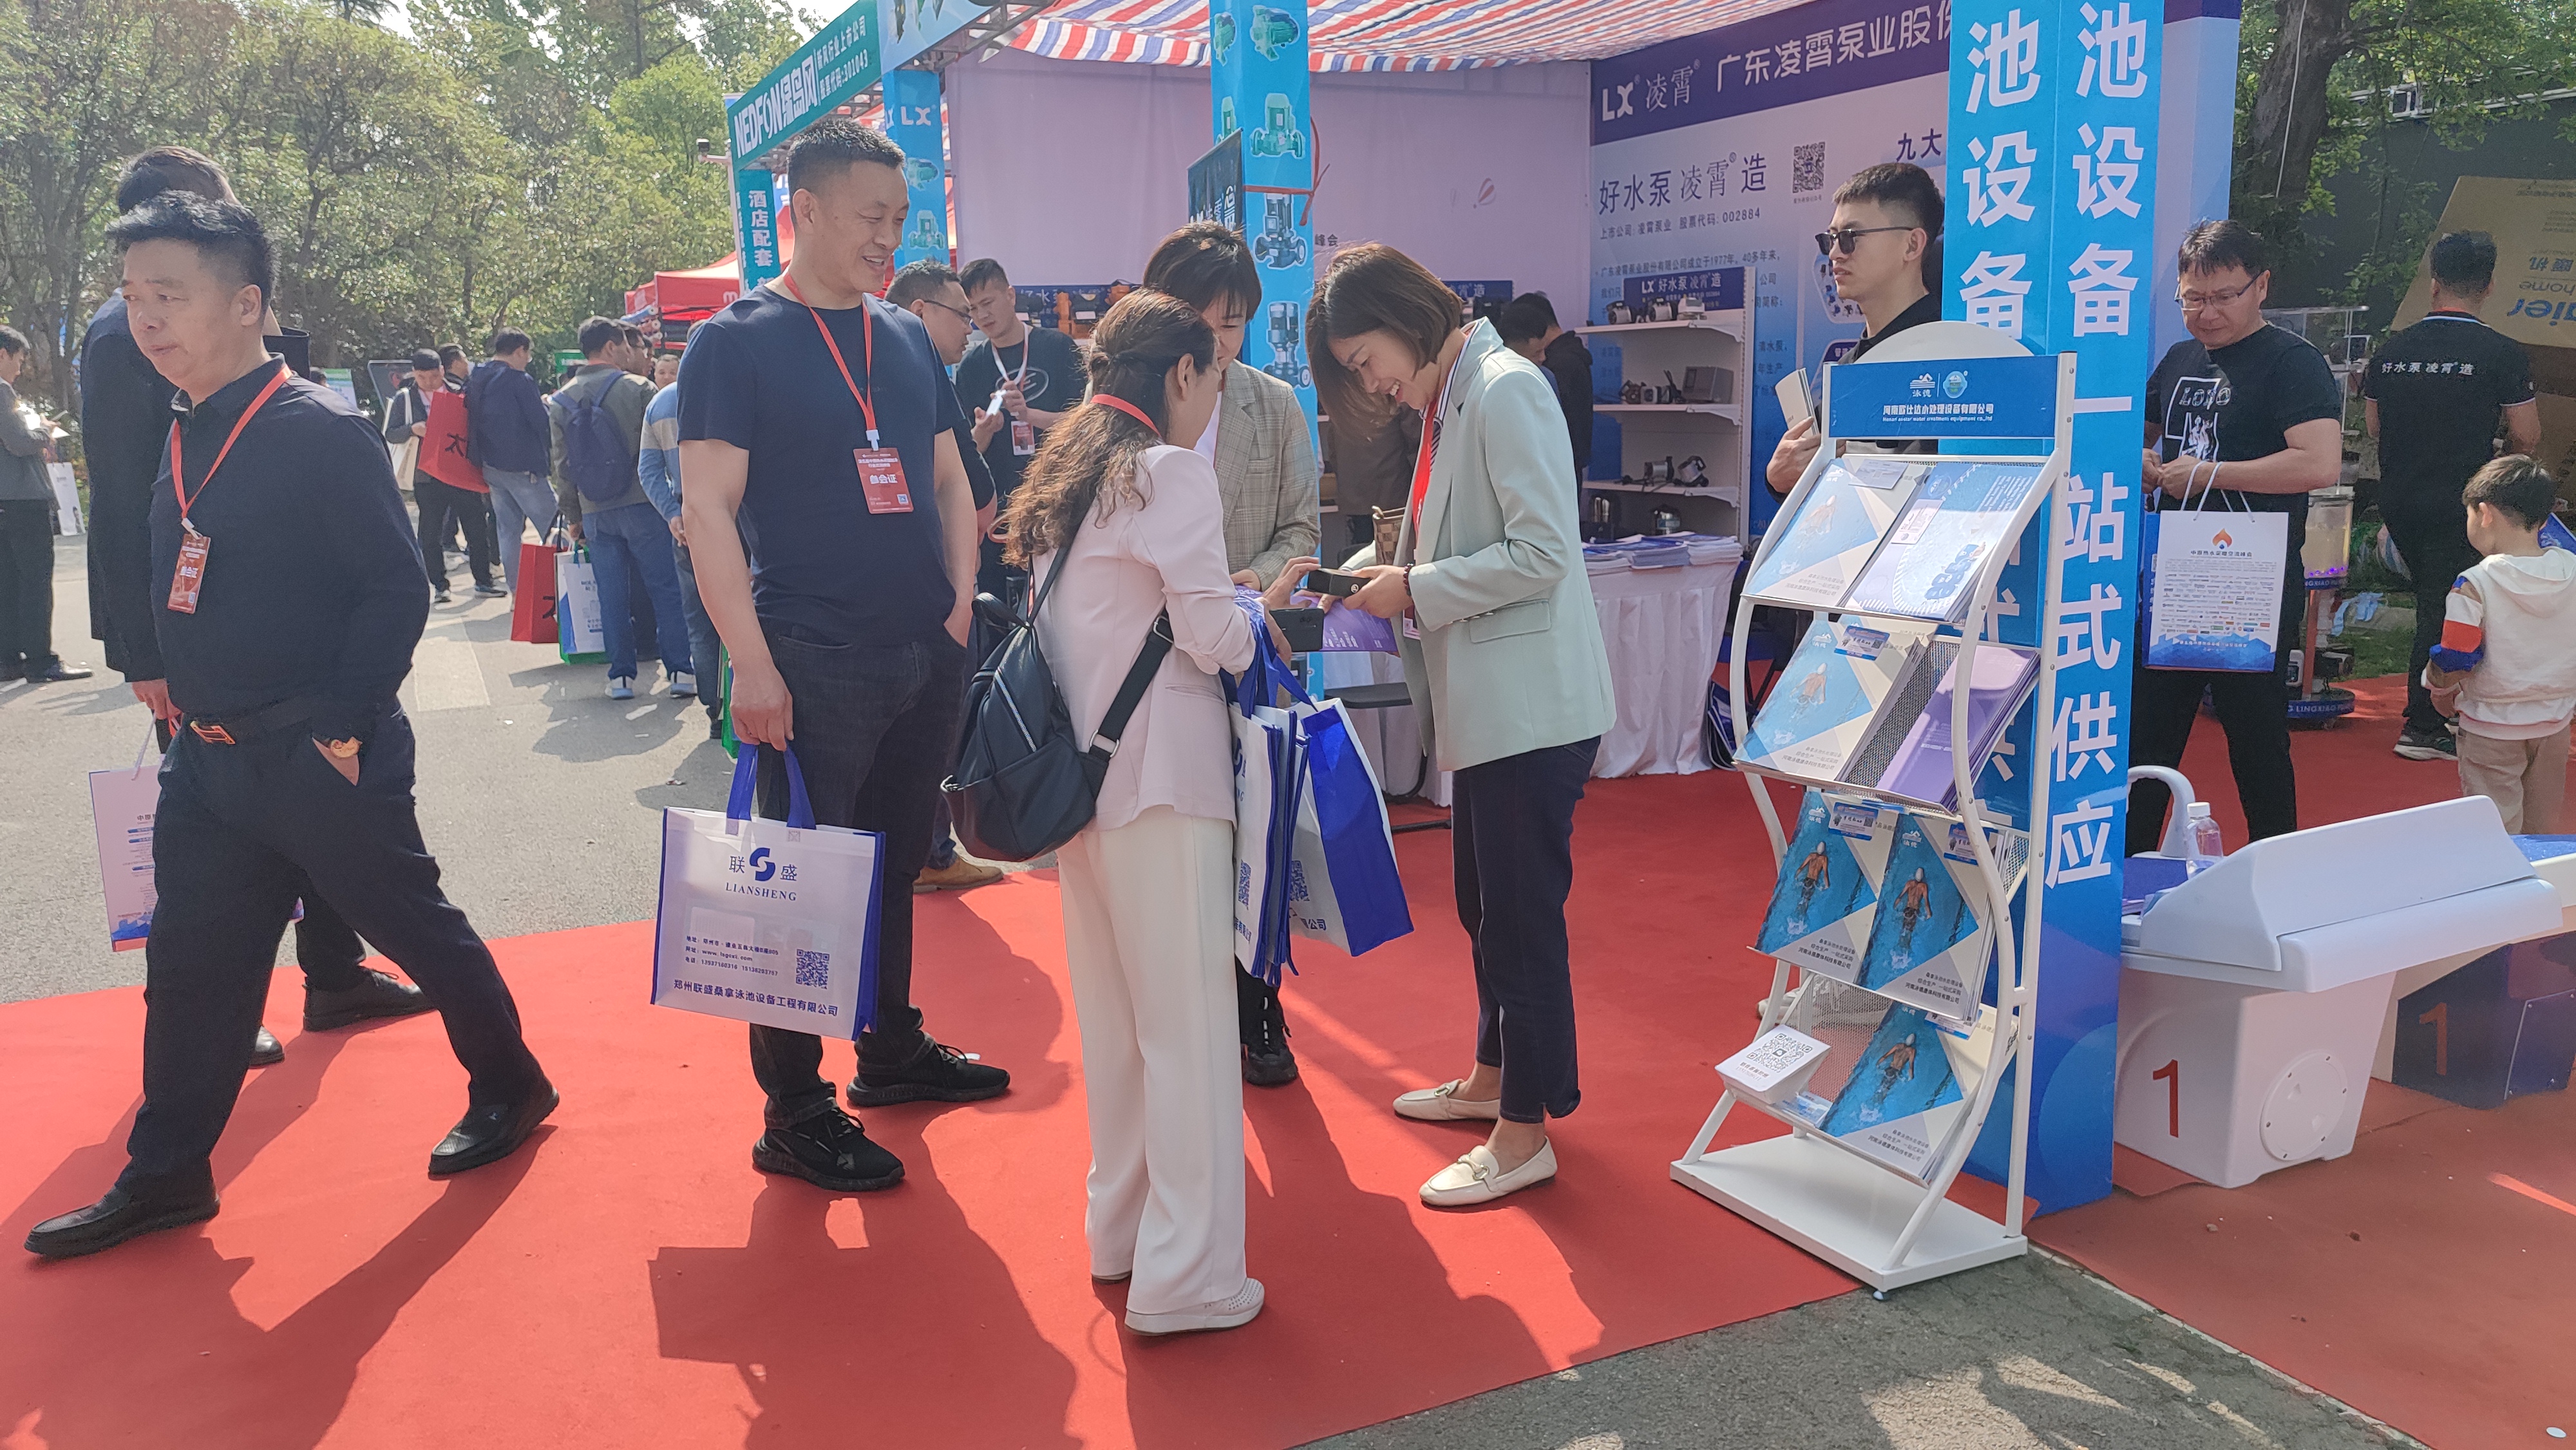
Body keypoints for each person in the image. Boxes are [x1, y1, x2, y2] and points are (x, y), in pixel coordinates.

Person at [26, 194, 554, 1261]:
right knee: (191, 963)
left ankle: (510, 1083)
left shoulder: (316, 429)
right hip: (209, 761)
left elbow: (394, 590)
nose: (146, 319)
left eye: (169, 295)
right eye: (131, 297)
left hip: (316, 750)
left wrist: (344, 730)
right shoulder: (185, 425)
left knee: (413, 926)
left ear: (246, 302)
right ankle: (166, 1173)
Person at [677, 117, 1008, 1195]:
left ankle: (891, 1047)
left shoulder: (904, 336)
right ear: (804, 211)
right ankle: (795, 1110)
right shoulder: (734, 341)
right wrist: (751, 664)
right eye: (870, 217)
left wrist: (955, 608)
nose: (887, 238)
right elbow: (707, 511)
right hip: (810, 656)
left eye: (900, 219)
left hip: (923, 648)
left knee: (897, 861)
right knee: (798, 887)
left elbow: (952, 478)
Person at [77, 144, 423, 1070]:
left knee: (315, 807)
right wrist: (143, 651)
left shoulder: (235, 313)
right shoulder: (124, 334)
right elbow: (119, 496)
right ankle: (211, 1012)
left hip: (286, 619)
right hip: (203, 635)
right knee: (214, 845)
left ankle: (335, 970)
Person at [1312, 243, 1618, 1207]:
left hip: (1530, 707)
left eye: (1366, 360)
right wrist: (1374, 575)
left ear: (1404, 320)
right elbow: (1447, 542)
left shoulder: (1506, 388)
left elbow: (1543, 552)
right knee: (1485, 908)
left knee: (1519, 921)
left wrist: (1415, 587)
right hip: (1491, 705)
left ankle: (1524, 1131)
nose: (1374, 382)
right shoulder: (1456, 395)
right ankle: (1493, 1079)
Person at [1014, 290, 1273, 1334]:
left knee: (1120, 1031)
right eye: (1214, 376)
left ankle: (1121, 1236)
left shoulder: (1073, 473)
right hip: (1164, 783)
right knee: (1189, 1033)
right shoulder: (1168, 470)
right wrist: (1254, 614)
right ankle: (1189, 1277)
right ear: (1182, 372)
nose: (1214, 398)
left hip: (1083, 789)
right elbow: (1213, 636)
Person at [1135, 221, 1320, 1085]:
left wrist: (1257, 580)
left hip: (1253, 656)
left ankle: (1259, 1005)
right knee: (1170, 852)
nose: (1215, 343)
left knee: (1258, 838)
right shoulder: (1124, 413)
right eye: (1198, 321)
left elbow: (1302, 530)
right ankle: (1177, 1015)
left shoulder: (1273, 405)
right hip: (1148, 673)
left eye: (1233, 323)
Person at [2127, 220, 2347, 856]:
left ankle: (2276, 864)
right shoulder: (2179, 359)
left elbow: (2318, 462)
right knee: (2149, 735)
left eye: (2224, 296)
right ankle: (2129, 867)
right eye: (2192, 298)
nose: (2207, 312)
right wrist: (2142, 457)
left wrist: (2209, 473)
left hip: (2251, 579)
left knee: (2255, 736)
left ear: (2261, 287)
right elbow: (2139, 431)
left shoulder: (2291, 362)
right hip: (2176, 575)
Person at [2363, 230, 2540, 763]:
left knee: (2439, 599)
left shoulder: (2392, 351)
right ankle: (2424, 723)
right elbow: (2527, 434)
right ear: (2488, 286)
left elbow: (2374, 426)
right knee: (2445, 606)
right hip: (2466, 501)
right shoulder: (2501, 352)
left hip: (2400, 495)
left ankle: (2443, 709)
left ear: (2434, 283)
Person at [887, 258, 1006, 894]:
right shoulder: (925, 380)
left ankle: (914, 850)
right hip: (936, 592)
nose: (970, 328)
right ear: (918, 313)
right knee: (935, 727)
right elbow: (976, 497)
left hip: (885, 593)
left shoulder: (865, 376)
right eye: (961, 314)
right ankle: (931, 850)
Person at [1765, 162, 1946, 494]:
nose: (1835, 254)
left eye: (1850, 238)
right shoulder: (1849, 370)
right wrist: (1779, 479)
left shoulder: (1952, 358)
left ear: (1912, 245)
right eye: (1831, 239)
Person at [2425, 455, 2576, 833]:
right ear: (2545, 518)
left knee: (2495, 829)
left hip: (2490, 725)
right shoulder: (2571, 569)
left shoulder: (2474, 584)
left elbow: (2456, 657)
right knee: (2541, 828)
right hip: (2555, 721)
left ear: (2484, 513)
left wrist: (2438, 687)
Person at [551, 315, 685, 700]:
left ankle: (621, 678)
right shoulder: (639, 389)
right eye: (625, 345)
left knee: (611, 595)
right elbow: (660, 453)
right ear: (611, 347)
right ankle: (681, 671)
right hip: (645, 505)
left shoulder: (561, 400)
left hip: (595, 510)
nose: (631, 351)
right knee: (665, 588)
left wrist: (574, 516)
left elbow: (562, 466)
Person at [956, 256, 1086, 601]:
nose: (982, 315)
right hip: (998, 512)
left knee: (1057, 600)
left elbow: (1087, 426)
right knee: (998, 607)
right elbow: (966, 451)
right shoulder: (972, 366)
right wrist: (985, 431)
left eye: (988, 302)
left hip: (1056, 502)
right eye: (973, 309)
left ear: (1011, 296)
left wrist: (1031, 416)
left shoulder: (1058, 348)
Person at [638, 338, 723, 735]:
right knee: (754, 613)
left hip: (689, 525)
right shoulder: (736, 390)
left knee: (700, 620)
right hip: (740, 523)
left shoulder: (660, 403)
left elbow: (649, 470)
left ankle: (714, 710)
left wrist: (672, 515)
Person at [0, 325, 86, 683]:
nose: (19, 370)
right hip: (22, 498)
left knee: (7, 582)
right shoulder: (2, 390)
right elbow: (18, 442)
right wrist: (44, 432)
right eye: (19, 360)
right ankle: (40, 660)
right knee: (35, 580)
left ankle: (8, 660)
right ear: (3, 354)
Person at [386, 348, 499, 604]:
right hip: (427, 475)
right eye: (421, 377)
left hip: (460, 470)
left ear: (442, 371)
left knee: (476, 527)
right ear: (414, 374)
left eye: (433, 377)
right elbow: (391, 433)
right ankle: (439, 585)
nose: (428, 382)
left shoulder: (459, 391)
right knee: (431, 532)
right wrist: (412, 429)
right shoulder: (406, 399)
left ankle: (483, 581)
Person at [468, 327, 557, 591]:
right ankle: (566, 587)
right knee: (554, 528)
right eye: (528, 355)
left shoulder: (478, 377)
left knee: (508, 532)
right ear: (519, 351)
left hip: (490, 465)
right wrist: (547, 406)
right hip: (523, 466)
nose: (527, 360)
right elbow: (540, 422)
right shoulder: (519, 380)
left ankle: (518, 594)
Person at [1497, 293, 1594, 487]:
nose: (1541, 358)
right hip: (1564, 468)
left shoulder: (1553, 368)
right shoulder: (1573, 357)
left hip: (1552, 472)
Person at [1323, 395, 1422, 558]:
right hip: (1393, 495)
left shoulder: (1341, 391)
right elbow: (1416, 441)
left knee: (1359, 558)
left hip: (1354, 494)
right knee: (1397, 557)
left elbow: (1333, 444)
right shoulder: (1395, 388)